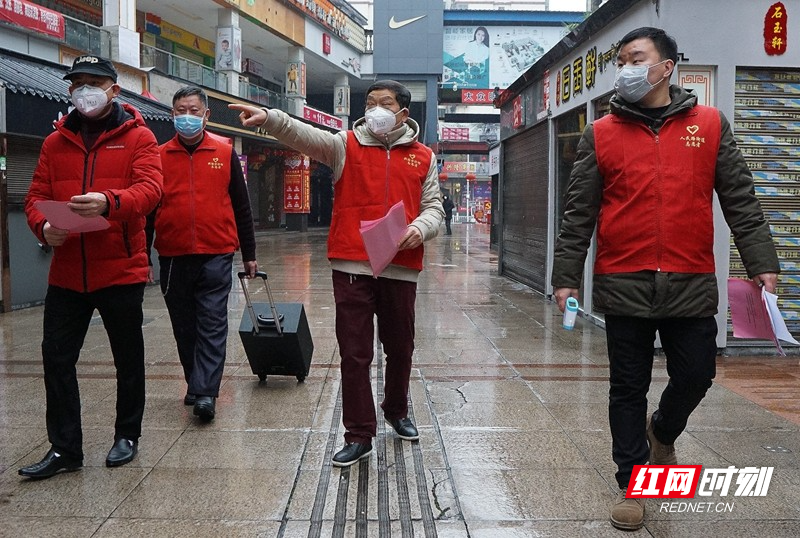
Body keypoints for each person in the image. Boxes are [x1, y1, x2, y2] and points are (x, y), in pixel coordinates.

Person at [551, 27, 779, 531]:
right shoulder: (602, 132)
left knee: (698, 374)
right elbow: (578, 212)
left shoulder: (712, 125)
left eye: (636, 58)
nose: (627, 68)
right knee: (626, 388)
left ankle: (664, 429)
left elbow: (741, 200)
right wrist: (566, 275)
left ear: (667, 66)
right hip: (624, 278)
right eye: (621, 61)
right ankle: (633, 483)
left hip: (691, 278)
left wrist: (762, 263)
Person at [229, 80, 444, 467]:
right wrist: (272, 119)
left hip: (400, 268)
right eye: (371, 102)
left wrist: (419, 229)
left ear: (403, 113)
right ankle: (359, 433)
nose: (375, 109)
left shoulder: (424, 157)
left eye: (385, 103)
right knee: (354, 354)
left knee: (400, 349)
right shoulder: (346, 144)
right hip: (352, 267)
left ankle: (396, 410)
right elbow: (306, 136)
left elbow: (434, 209)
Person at [20, 55, 163, 479]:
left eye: (93, 82)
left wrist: (109, 202)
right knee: (56, 358)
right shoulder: (54, 143)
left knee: (127, 356)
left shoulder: (139, 138)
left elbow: (151, 191)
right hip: (67, 273)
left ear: (113, 90)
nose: (84, 90)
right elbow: (34, 197)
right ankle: (65, 448)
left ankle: (127, 434)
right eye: (77, 83)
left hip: (120, 268)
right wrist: (43, 228)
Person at [147, 86, 257, 422]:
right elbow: (148, 210)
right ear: (172, 114)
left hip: (217, 251)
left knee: (212, 321)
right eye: (180, 110)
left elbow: (241, 204)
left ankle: (206, 392)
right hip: (173, 254)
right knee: (184, 325)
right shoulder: (159, 155)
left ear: (206, 115)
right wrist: (141, 254)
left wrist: (249, 252)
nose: (187, 117)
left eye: (193, 110)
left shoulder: (224, 151)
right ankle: (195, 383)